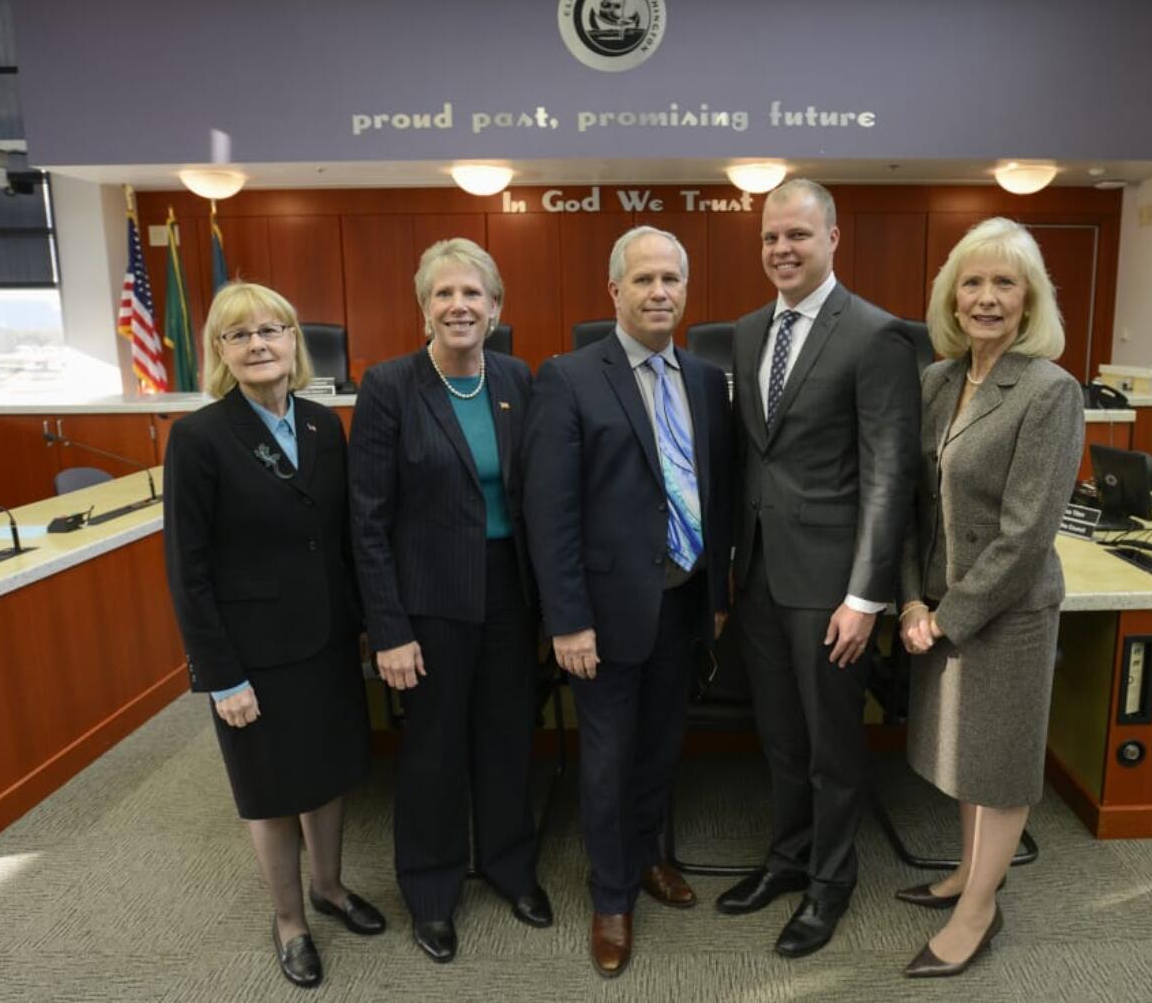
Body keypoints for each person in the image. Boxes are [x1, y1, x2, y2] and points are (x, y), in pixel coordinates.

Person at [523, 226, 731, 978]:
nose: (658, 293)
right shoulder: (570, 377)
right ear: (614, 291)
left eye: (671, 279)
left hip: (680, 603)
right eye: (643, 280)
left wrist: (715, 592)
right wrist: (567, 619)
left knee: (658, 747)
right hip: (603, 616)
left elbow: (717, 491)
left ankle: (647, 859)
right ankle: (610, 896)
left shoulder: (706, 380)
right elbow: (551, 515)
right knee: (607, 761)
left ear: (685, 288)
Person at [718, 179, 920, 957]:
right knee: (781, 740)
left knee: (834, 746)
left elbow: (888, 475)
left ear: (835, 237)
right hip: (763, 578)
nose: (782, 250)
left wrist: (866, 596)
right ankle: (788, 861)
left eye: (798, 235)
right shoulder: (744, 332)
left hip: (835, 588)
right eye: (771, 238)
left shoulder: (876, 335)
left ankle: (831, 884)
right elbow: (752, 460)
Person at [164, 282, 384, 991]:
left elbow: (344, 541)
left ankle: (330, 887)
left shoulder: (324, 425)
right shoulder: (199, 437)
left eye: (271, 329)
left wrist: (364, 627)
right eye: (239, 334)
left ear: (295, 340)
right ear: (220, 352)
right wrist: (219, 674)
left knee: (327, 775)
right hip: (251, 654)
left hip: (325, 641)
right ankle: (289, 920)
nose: (258, 344)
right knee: (270, 790)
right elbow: (187, 570)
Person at [348, 238, 549, 965]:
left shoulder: (519, 379)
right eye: (444, 294)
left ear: (496, 308)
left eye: (473, 294)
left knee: (506, 738)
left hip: (508, 593)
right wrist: (389, 628)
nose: (459, 306)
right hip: (427, 603)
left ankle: (508, 867)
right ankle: (431, 892)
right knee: (433, 752)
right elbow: (366, 519)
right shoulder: (390, 386)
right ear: (424, 308)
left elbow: (536, 498)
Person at [895, 217, 1084, 977]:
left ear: (1031, 298)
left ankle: (979, 912)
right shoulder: (937, 381)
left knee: (998, 768)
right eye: (972, 282)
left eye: (1005, 283)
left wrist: (947, 617)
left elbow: (1026, 533)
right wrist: (911, 602)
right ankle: (969, 874)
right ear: (950, 296)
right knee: (964, 760)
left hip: (1005, 613)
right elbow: (911, 506)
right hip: (938, 606)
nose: (986, 297)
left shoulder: (1049, 391)